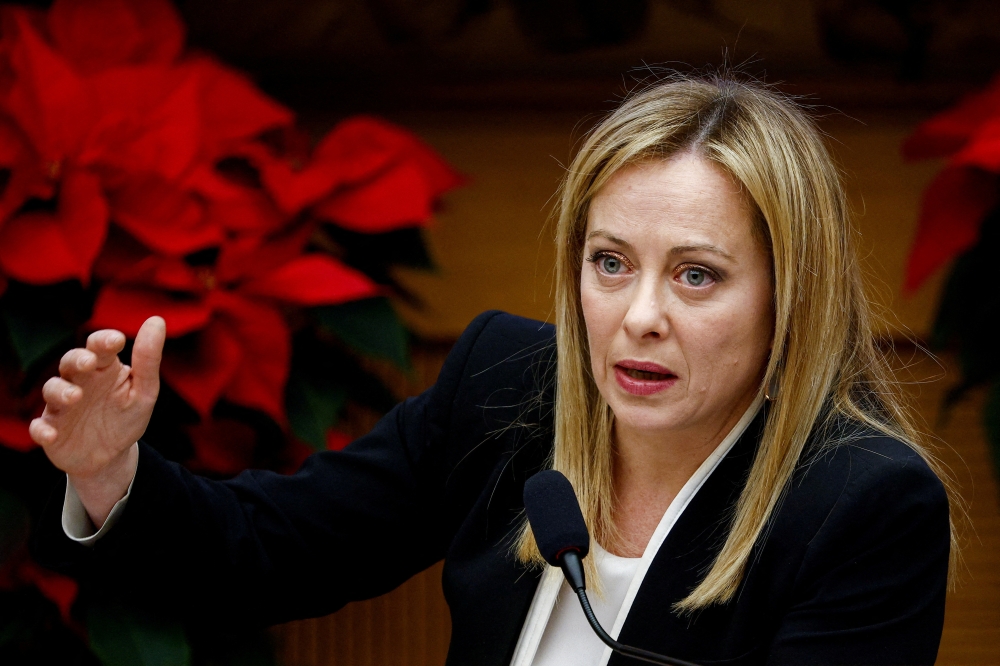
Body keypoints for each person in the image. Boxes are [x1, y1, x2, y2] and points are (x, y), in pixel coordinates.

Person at [31, 74, 958, 666]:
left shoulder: (860, 505)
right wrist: (111, 472)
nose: (639, 317)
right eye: (610, 263)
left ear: (787, 300)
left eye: (697, 275)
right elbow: (272, 550)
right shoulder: (507, 385)